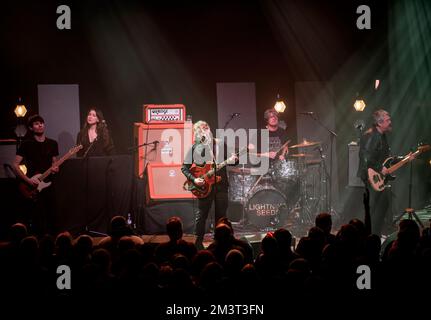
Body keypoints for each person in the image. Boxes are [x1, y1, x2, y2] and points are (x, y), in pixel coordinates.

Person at [181, 121, 237, 249]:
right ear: (197, 133)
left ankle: (222, 244)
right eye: (201, 128)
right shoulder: (196, 147)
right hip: (204, 186)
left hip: (221, 185)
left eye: (206, 126)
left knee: (221, 216)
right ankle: (197, 244)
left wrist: (235, 159)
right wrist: (194, 180)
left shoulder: (220, 144)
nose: (205, 129)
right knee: (201, 216)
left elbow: (232, 161)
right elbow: (184, 168)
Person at [13, 114, 59, 235]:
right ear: (31, 128)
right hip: (32, 185)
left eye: (42, 123)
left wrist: (56, 168)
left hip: (49, 184)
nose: (40, 125)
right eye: (36, 123)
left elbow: (55, 163)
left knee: (52, 216)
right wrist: (28, 180)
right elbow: (15, 165)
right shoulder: (26, 144)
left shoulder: (53, 143)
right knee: (38, 218)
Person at [357, 109, 393, 236]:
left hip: (376, 174)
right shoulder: (371, 135)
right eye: (388, 120)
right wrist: (379, 168)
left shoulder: (382, 136)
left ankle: (374, 235)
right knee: (375, 207)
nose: (390, 122)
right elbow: (365, 157)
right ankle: (371, 236)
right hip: (370, 175)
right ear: (379, 123)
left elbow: (383, 158)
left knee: (381, 205)